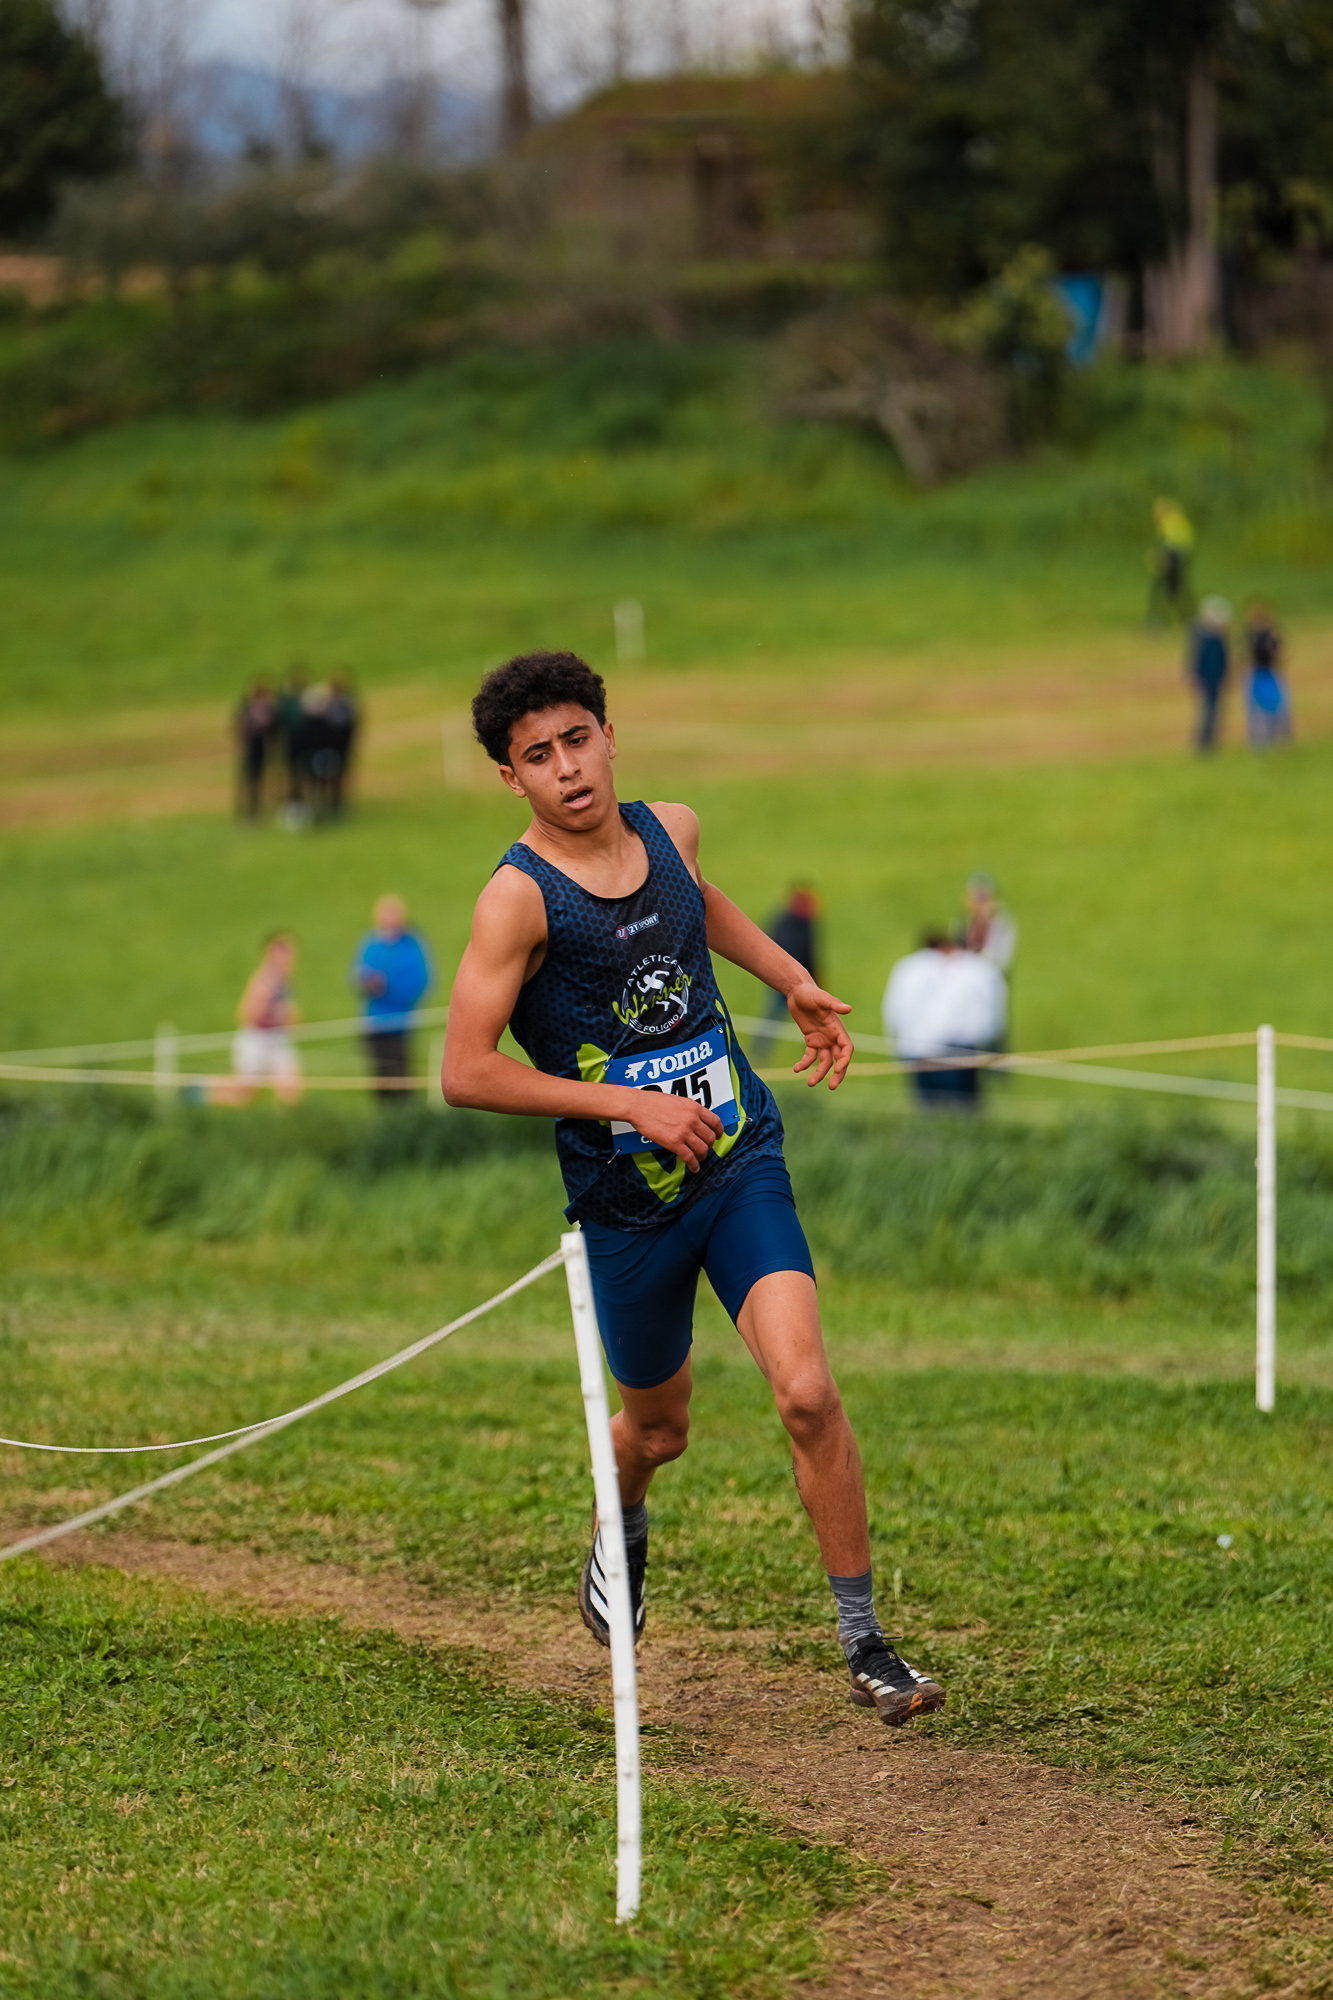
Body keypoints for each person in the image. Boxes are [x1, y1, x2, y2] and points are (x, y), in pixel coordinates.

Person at [442, 650, 945, 1728]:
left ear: (609, 736)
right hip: (626, 1206)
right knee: (659, 1429)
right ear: (510, 777)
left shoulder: (671, 828)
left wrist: (789, 977)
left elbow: (695, 903)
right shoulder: (516, 902)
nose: (567, 767)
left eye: (578, 739)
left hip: (737, 1160)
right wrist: (631, 1105)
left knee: (806, 1390)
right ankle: (619, 1510)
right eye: (538, 755)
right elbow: (465, 1071)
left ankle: (866, 1644)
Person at [883, 932, 1007, 1111]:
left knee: (936, 1107)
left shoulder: (910, 967)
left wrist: (897, 1042)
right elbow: (991, 1008)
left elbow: (894, 1007)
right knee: (960, 1107)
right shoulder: (976, 969)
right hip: (953, 1047)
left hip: (926, 1047)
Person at [351, 894, 434, 1103]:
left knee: (400, 1074)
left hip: (400, 1022)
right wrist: (367, 983)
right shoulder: (372, 942)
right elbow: (357, 975)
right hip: (374, 1021)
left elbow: (421, 981)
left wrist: (388, 987)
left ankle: (404, 1115)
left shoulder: (411, 945)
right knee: (380, 1077)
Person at [225, 931, 302, 1105]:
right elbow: (245, 1014)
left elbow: (292, 1020)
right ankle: (199, 1092)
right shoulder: (263, 980)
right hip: (256, 1040)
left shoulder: (286, 982)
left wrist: (287, 1018)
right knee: (244, 1094)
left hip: (276, 1039)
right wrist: (266, 1006)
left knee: (290, 1088)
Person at [751, 885, 820, 1068]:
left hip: (802, 981)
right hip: (782, 979)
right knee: (775, 1016)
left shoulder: (805, 922)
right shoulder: (787, 922)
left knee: (796, 1016)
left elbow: (811, 954)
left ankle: (815, 1046)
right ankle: (759, 1049)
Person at [1245, 602, 1292, 750]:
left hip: (1270, 673)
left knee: (1276, 706)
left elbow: (1280, 654)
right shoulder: (1253, 636)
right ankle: (1260, 740)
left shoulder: (1271, 635)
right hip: (1259, 674)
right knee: (1258, 708)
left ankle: (1277, 737)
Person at [1189, 597, 1231, 752]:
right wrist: (1197, 677)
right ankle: (1204, 742)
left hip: (1216, 678)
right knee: (1207, 710)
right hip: (1206, 679)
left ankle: (1210, 740)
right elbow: (1196, 660)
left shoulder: (1218, 639)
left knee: (1215, 710)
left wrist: (1225, 675)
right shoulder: (1202, 638)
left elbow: (1223, 659)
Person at [1146, 497, 1195, 626]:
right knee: (1174, 589)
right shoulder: (1176, 519)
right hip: (1178, 557)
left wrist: (1160, 556)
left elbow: (1171, 543)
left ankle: (1157, 620)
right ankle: (1187, 617)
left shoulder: (1170, 521)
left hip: (1173, 558)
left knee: (1165, 589)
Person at [954, 872, 1016, 972]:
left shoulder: (1003, 925)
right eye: (976, 898)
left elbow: (1002, 962)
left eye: (984, 898)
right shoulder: (961, 924)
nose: (980, 904)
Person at [234, 682, 277, 821]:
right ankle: (249, 809)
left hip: (259, 747)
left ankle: (254, 808)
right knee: (251, 780)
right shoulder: (249, 709)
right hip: (252, 747)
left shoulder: (261, 709)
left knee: (257, 780)